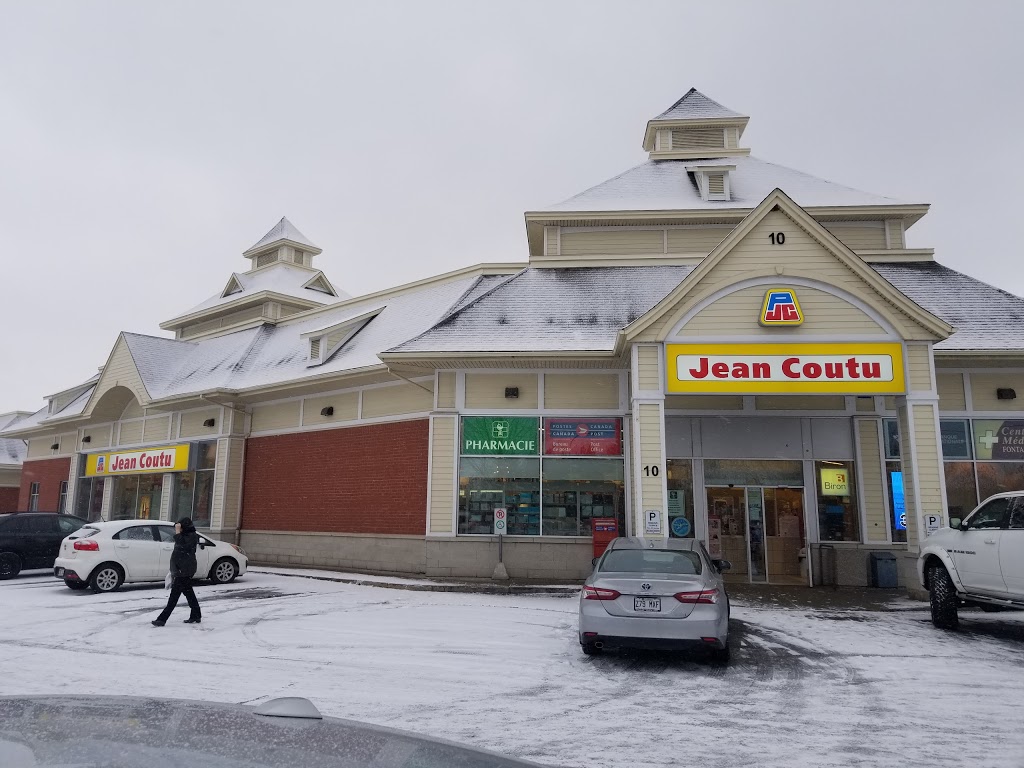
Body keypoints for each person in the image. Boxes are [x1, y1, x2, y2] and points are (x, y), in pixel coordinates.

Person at [152, 517, 202, 626]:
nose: (177, 529)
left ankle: (162, 619)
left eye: (179, 527)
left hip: (184, 570)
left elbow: (183, 546)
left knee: (173, 597)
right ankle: (196, 615)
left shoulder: (191, 536)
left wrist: (178, 532)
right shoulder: (186, 535)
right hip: (181, 569)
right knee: (189, 593)